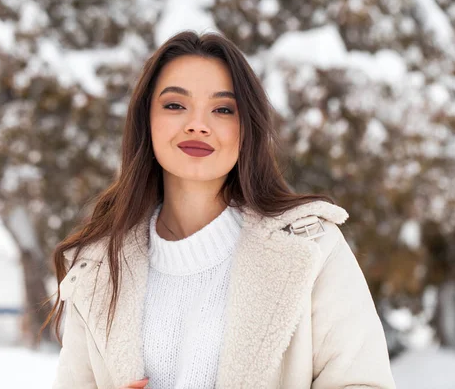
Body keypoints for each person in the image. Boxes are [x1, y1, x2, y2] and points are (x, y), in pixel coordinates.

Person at [45, 30, 396, 389]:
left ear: (247, 128)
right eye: (175, 105)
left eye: (223, 109)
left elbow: (363, 382)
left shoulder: (311, 247)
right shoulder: (102, 266)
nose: (198, 124)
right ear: (146, 121)